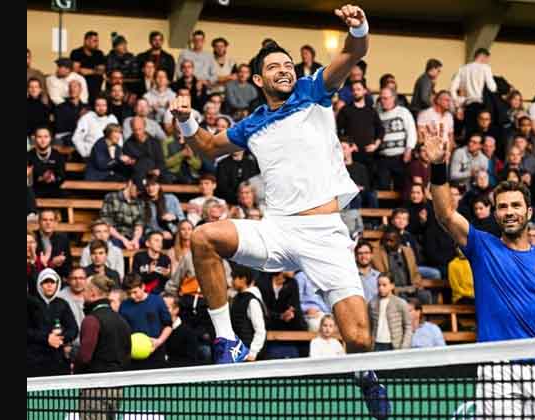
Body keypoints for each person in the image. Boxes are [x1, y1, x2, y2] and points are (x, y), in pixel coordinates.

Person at [166, 7, 388, 416]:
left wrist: (358, 26)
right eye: (274, 67)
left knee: (359, 340)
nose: (284, 70)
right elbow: (209, 147)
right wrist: (185, 121)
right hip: (278, 229)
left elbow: (354, 52)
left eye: (288, 64)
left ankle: (364, 373)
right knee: (203, 237)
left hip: (325, 233)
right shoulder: (251, 124)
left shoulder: (314, 89)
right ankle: (226, 339)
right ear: (258, 79)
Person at [423, 125, 535, 418]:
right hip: (495, 367)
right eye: (503, 207)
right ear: (495, 214)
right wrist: (437, 166)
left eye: (516, 206)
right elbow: (445, 214)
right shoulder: (482, 247)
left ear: (529, 212)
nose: (509, 211)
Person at [73, 274, 131, 418]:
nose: (83, 294)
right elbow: (127, 355)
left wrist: (74, 365)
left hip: (95, 388)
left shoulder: (91, 320)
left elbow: (84, 357)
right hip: (117, 389)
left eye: (85, 290)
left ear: (92, 294)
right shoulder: (122, 321)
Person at [31, 268, 80, 376]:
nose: (49, 285)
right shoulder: (30, 303)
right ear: (39, 284)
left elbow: (73, 329)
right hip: (33, 359)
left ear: (57, 284)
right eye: (45, 282)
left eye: (52, 282)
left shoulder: (62, 304)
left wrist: (60, 338)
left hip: (57, 357)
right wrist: (46, 338)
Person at [119, 274, 173, 370]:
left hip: (156, 353)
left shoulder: (157, 301)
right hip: (134, 355)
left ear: (143, 287)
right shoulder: (124, 306)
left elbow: (168, 325)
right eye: (129, 293)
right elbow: (122, 331)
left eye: (135, 292)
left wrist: (159, 341)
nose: (132, 296)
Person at [372, 226, 433, 304]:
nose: (388, 243)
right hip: (393, 289)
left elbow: (415, 272)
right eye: (386, 240)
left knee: (425, 296)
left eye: (391, 241)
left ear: (399, 240)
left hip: (410, 288)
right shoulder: (377, 253)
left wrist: (417, 285)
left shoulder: (408, 251)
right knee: (402, 300)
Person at [375, 87, 417, 191]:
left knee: (401, 187)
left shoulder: (403, 112)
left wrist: (409, 149)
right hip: (383, 157)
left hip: (400, 157)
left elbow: (411, 132)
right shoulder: (378, 114)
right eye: (381, 98)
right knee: (383, 186)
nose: (383, 101)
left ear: (393, 98)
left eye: (386, 98)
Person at [449, 48, 497, 134]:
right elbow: (492, 87)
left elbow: (452, 88)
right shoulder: (485, 67)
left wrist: (458, 102)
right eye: (487, 59)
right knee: (480, 132)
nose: (487, 62)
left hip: (467, 105)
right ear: (483, 56)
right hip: (479, 104)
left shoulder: (463, 68)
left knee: (469, 132)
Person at [228, 264, 267, 362]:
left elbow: (260, 330)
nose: (232, 281)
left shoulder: (252, 301)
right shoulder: (236, 298)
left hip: (249, 353)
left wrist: (252, 353)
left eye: (234, 278)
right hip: (237, 351)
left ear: (243, 279)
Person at [368, 274, 413, 351]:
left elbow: (408, 326)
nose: (381, 288)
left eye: (384, 285)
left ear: (392, 286)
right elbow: (370, 325)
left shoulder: (400, 303)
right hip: (376, 344)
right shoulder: (372, 303)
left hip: (395, 345)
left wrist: (404, 346)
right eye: (379, 285)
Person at [100, 178, 145, 250]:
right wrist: (123, 240)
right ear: (130, 183)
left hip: (133, 236)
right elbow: (107, 224)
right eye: (138, 189)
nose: (139, 192)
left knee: (149, 243)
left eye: (141, 190)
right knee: (113, 246)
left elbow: (139, 225)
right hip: (115, 235)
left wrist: (135, 239)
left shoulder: (140, 202)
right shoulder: (111, 197)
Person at [162, 293, 205, 367]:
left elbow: (191, 361)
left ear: (176, 310)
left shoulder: (188, 333)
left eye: (166, 308)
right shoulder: (154, 329)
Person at [140, 175, 185, 240]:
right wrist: (160, 233)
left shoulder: (171, 199)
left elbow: (182, 219)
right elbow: (145, 227)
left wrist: (174, 218)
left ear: (159, 185)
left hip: (174, 233)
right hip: (154, 235)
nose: (150, 188)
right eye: (147, 186)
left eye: (153, 185)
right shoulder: (143, 203)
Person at [28, 127, 66, 198]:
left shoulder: (58, 156)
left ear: (50, 138)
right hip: (34, 191)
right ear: (34, 138)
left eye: (46, 137)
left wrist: (53, 178)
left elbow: (62, 177)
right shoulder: (29, 155)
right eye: (39, 137)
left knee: (64, 196)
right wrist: (40, 178)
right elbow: (29, 180)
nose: (43, 140)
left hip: (54, 190)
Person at [34, 209, 73, 277]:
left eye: (51, 220)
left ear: (55, 222)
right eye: (44, 220)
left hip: (57, 278)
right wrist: (52, 263)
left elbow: (68, 265)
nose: (48, 223)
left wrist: (62, 263)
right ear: (39, 222)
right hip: (35, 278)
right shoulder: (31, 237)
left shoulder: (63, 239)